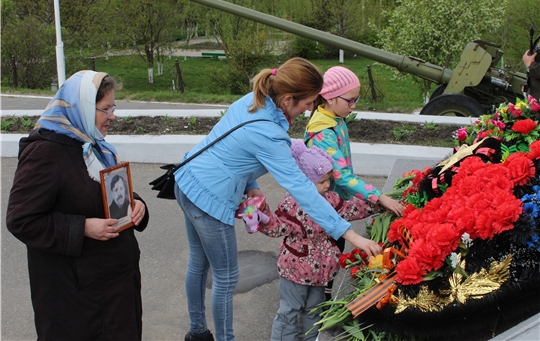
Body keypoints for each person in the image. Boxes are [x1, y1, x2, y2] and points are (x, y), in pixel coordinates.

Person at [174, 57, 382, 341]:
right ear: (287, 98)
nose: (310, 109)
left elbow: (231, 148)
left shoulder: (254, 100)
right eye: (308, 103)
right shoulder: (271, 133)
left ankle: (197, 331)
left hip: (187, 181)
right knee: (226, 278)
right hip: (210, 198)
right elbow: (302, 189)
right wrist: (351, 236)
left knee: (198, 264)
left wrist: (251, 184)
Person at [6, 70, 150, 341]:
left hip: (114, 289)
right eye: (106, 109)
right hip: (80, 300)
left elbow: (102, 192)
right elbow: (21, 219)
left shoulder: (93, 145)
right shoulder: (45, 152)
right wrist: (82, 227)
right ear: (82, 108)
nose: (113, 116)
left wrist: (136, 204)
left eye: (113, 107)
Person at [251, 140, 381, 341]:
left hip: (321, 272)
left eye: (328, 179)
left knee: (314, 311)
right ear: (304, 181)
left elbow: (350, 209)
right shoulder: (292, 205)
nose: (328, 185)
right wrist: (263, 217)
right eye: (322, 181)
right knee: (289, 312)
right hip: (295, 270)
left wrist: (378, 202)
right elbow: (279, 227)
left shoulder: (330, 200)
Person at [304, 66, 404, 301]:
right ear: (329, 97)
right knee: (328, 247)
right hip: (325, 200)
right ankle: (318, 296)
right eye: (350, 100)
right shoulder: (322, 131)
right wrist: (380, 196)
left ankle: (321, 289)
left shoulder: (333, 117)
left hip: (335, 198)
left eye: (356, 99)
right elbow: (341, 176)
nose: (354, 105)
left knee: (334, 245)